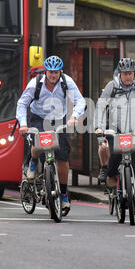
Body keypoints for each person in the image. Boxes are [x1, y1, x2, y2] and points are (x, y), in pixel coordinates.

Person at [17, 55, 86, 214]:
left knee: (62, 157)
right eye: (50, 72)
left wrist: (74, 116)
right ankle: (33, 163)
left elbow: (80, 101)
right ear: (45, 71)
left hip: (59, 119)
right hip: (38, 117)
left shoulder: (67, 81)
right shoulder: (35, 83)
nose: (53, 75)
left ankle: (62, 195)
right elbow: (22, 103)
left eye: (56, 72)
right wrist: (23, 124)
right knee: (38, 144)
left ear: (60, 71)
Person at [95, 58, 135, 215]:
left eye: (130, 73)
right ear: (119, 74)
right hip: (116, 130)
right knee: (114, 155)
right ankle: (112, 176)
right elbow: (100, 107)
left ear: (134, 73)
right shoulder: (111, 86)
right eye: (125, 74)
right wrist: (99, 127)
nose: (128, 77)